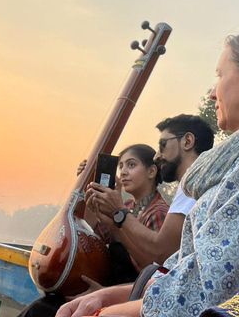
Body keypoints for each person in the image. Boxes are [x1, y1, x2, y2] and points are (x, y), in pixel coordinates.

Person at [56, 27, 239, 317]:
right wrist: (113, 295)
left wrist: (108, 312)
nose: (213, 92)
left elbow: (213, 291)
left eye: (219, 76)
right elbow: (188, 269)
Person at [19, 143, 169, 317]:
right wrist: (87, 182)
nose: (123, 172)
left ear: (151, 171)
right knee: (42, 306)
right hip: (101, 291)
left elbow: (158, 273)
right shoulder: (126, 206)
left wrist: (104, 293)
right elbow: (96, 235)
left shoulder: (158, 213)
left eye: (131, 165)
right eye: (120, 166)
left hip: (127, 302)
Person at [86, 114, 214, 268]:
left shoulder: (193, 187)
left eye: (163, 145)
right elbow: (153, 265)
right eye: (121, 166)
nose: (157, 155)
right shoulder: (191, 186)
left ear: (188, 141)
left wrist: (119, 213)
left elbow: (161, 257)